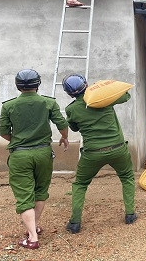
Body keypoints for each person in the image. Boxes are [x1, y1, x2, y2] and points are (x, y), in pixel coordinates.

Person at [0, 69, 70, 250]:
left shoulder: (9, 106)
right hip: (43, 153)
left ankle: (32, 237)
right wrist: (64, 137)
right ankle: (34, 227)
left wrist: (17, 140)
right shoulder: (49, 103)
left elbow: (3, 131)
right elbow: (62, 124)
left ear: (18, 86)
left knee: (24, 195)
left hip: (20, 155)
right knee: (40, 191)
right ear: (38, 84)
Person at [61, 74, 137, 234]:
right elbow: (126, 95)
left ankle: (75, 223)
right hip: (118, 149)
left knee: (80, 184)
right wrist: (106, 88)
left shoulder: (71, 109)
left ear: (70, 94)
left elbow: (74, 128)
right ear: (86, 85)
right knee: (127, 178)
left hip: (92, 153)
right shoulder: (105, 100)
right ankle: (130, 214)